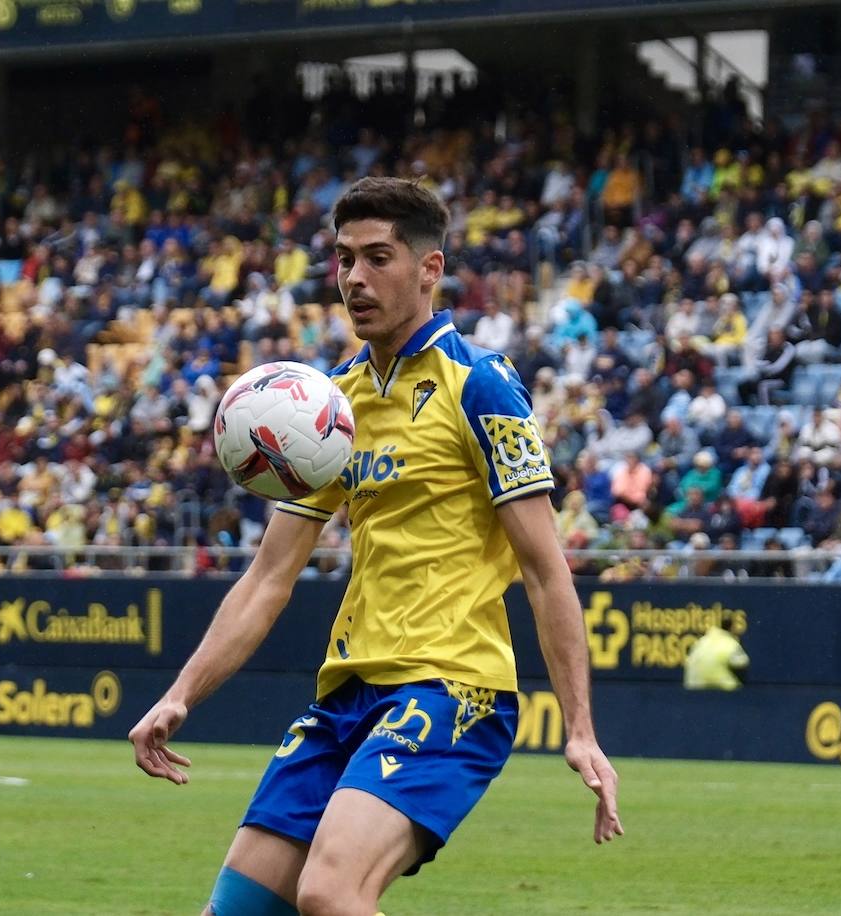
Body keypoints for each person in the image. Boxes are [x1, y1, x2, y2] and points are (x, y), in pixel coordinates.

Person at [129, 178, 622, 916]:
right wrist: (180, 694)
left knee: (330, 893)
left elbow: (546, 572)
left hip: (451, 689)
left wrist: (580, 728)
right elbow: (269, 577)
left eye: (378, 257)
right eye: (343, 258)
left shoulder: (481, 386)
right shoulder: (328, 407)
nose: (354, 278)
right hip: (346, 695)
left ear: (430, 269)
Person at [682, 616, 749, 691]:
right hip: (720, 689)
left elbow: (688, 662)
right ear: (732, 628)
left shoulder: (701, 642)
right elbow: (743, 664)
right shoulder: (730, 643)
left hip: (694, 687)